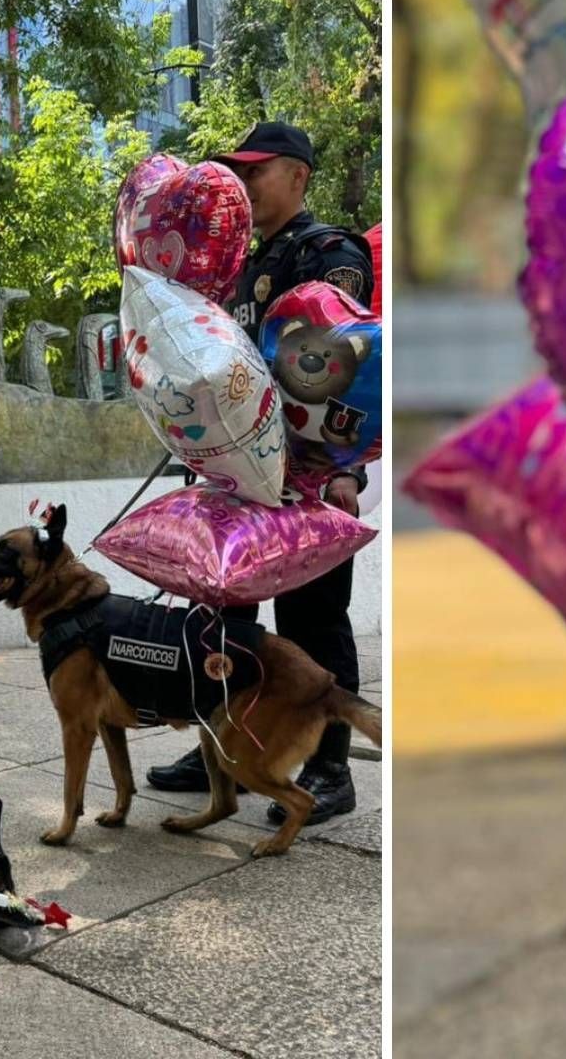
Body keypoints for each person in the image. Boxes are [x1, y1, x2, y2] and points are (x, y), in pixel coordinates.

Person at [146, 122, 376, 825]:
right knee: (220, 619)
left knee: (311, 623)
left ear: (298, 176)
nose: (241, 184)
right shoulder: (233, 266)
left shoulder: (327, 251)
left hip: (307, 473)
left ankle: (331, 767)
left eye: (257, 170)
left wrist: (344, 476)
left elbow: (342, 366)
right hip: (232, 473)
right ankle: (222, 746)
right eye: (234, 172)